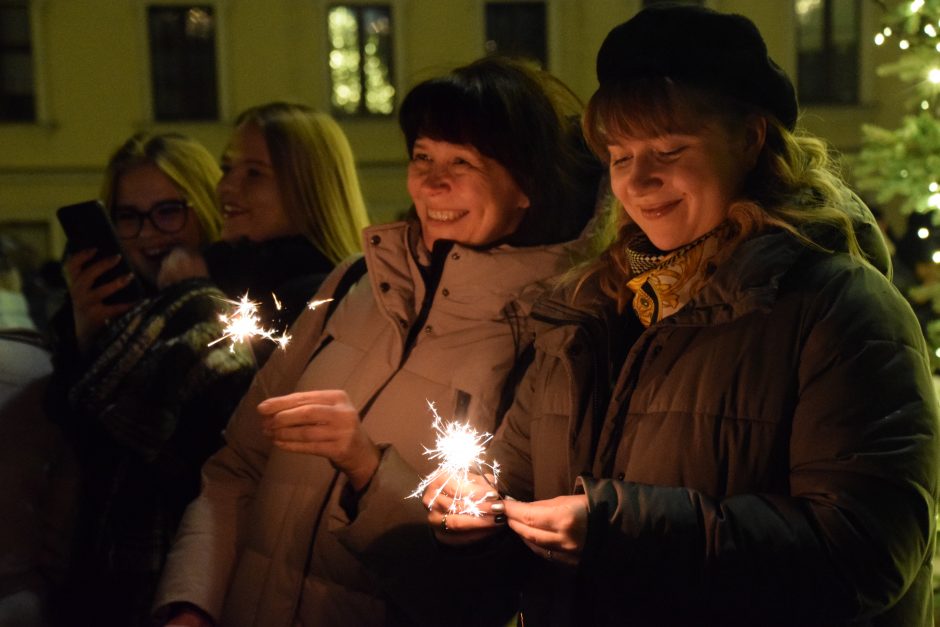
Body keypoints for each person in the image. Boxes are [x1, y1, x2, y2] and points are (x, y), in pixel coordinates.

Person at [426, 6, 940, 626]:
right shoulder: (585, 313)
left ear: (751, 140)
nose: (639, 182)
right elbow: (513, 481)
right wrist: (477, 513)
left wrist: (622, 531)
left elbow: (865, 556)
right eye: (619, 156)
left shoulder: (840, 312)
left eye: (669, 150)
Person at [153, 56, 604, 627]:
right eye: (423, 156)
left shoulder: (553, 336)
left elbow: (492, 585)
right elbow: (236, 468)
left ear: (527, 186)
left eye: (462, 161)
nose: (433, 182)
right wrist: (192, 602)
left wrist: (368, 469)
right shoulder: (353, 284)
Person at [46, 132, 257, 627]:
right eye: (128, 217)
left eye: (168, 211)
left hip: (186, 579)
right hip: (97, 574)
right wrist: (83, 336)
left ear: (204, 208)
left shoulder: (227, 314)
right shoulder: (100, 314)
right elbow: (68, 439)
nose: (148, 235)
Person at [167, 102, 371, 365]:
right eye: (227, 168)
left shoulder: (324, 302)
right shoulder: (220, 270)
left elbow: (229, 390)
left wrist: (196, 302)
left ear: (309, 187)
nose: (226, 187)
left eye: (254, 173)